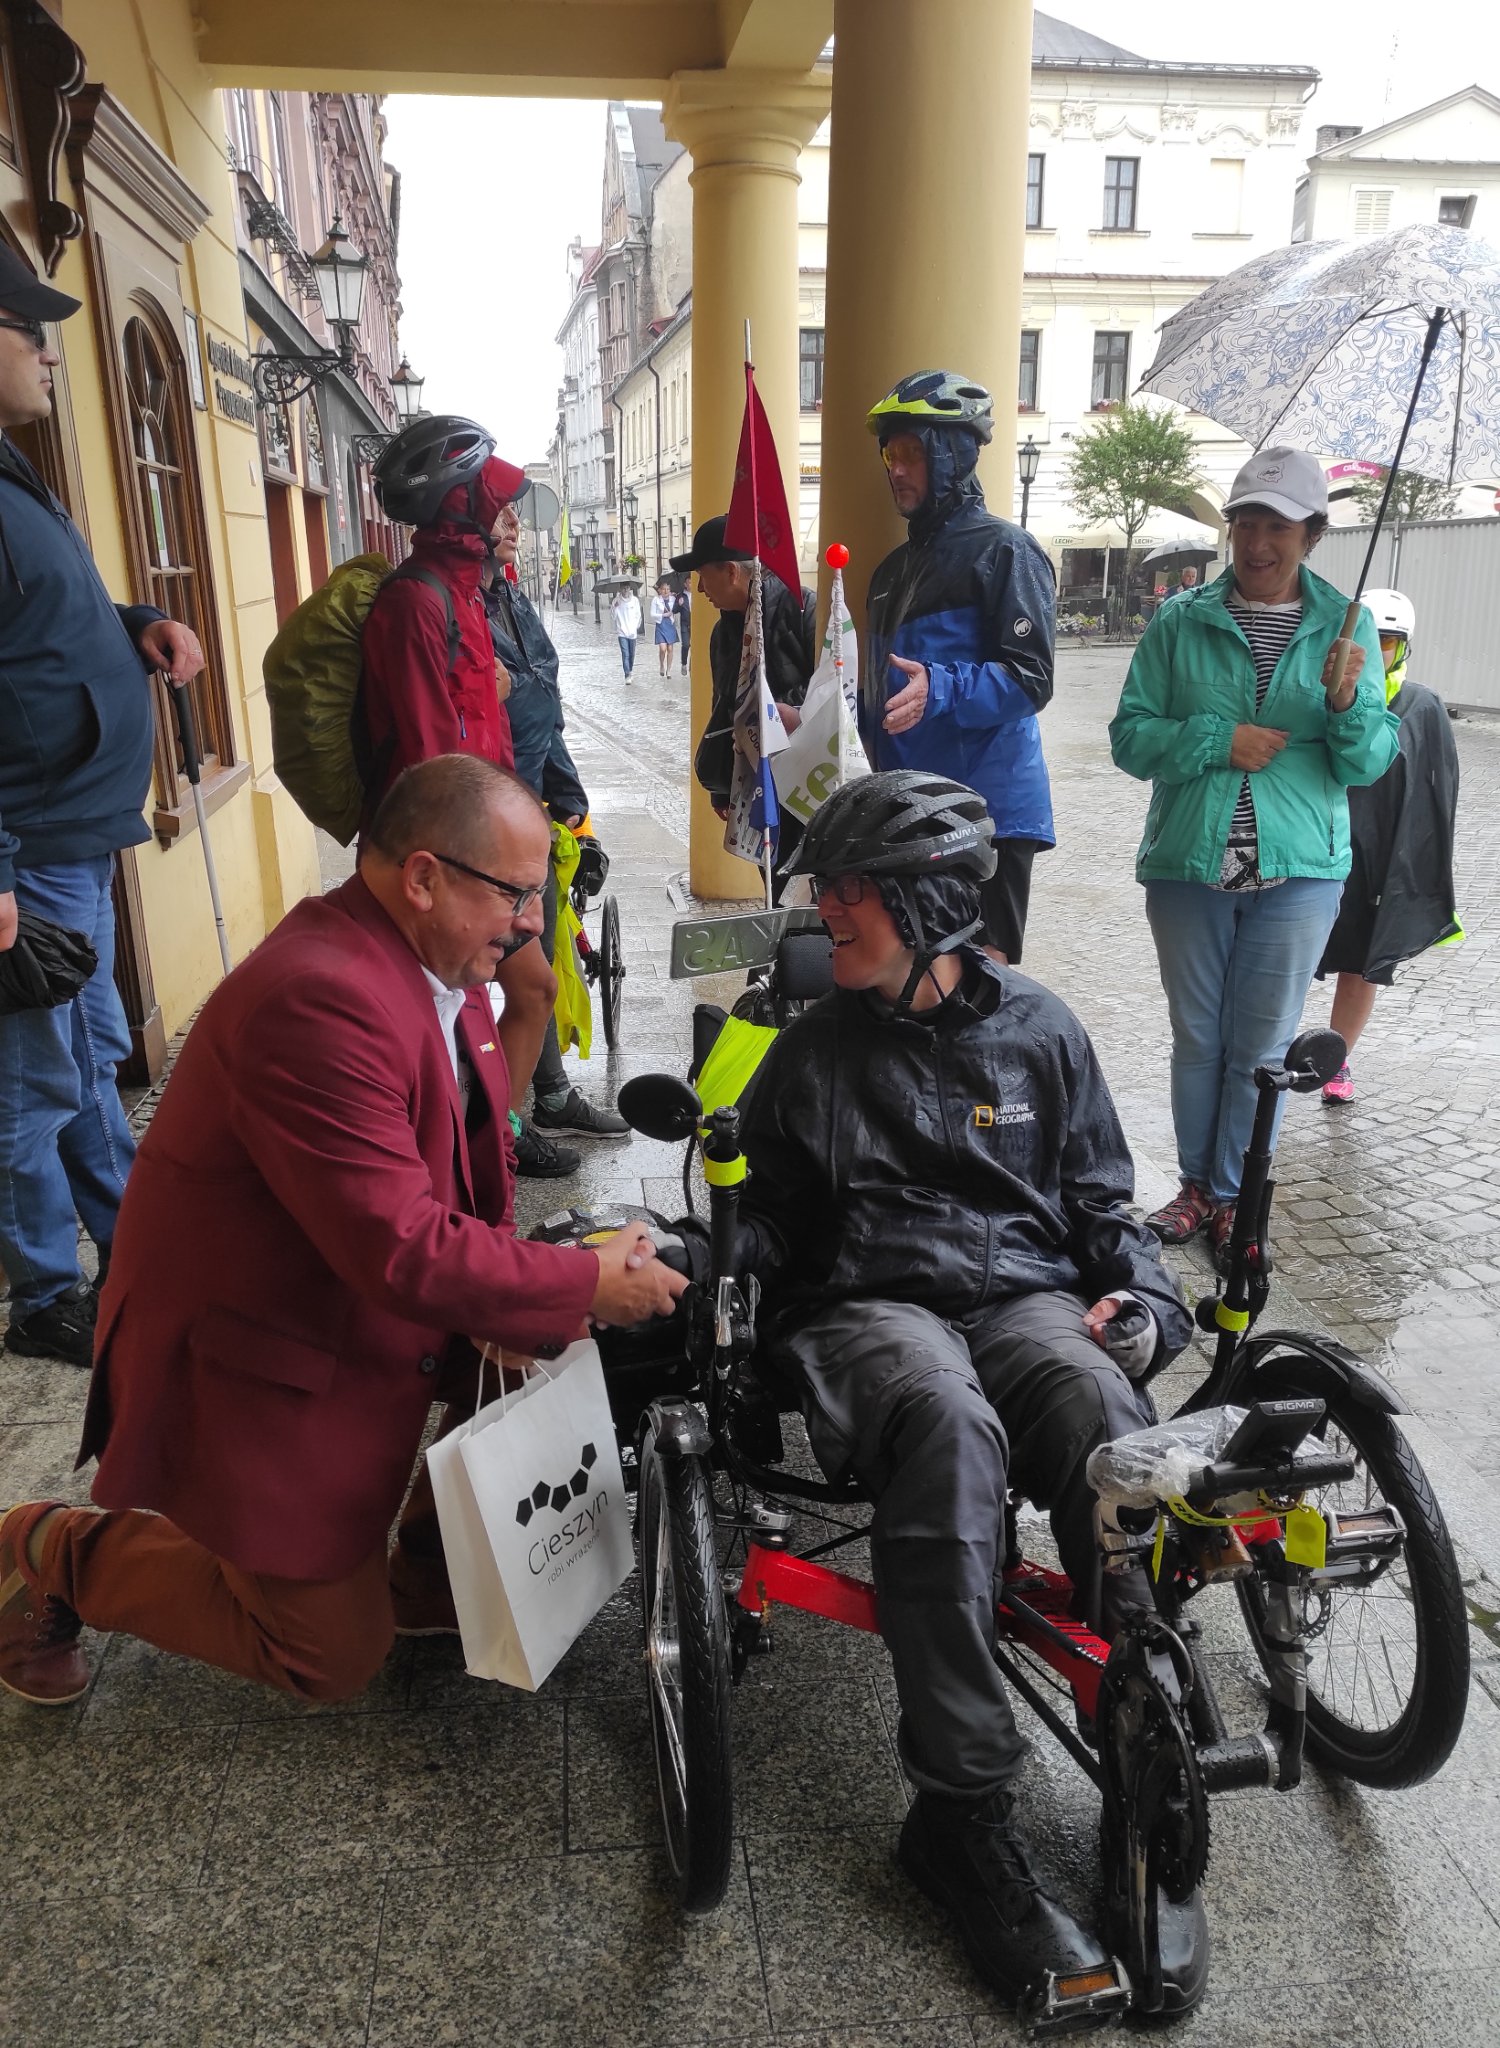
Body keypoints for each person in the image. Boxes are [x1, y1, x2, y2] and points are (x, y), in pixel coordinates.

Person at [0, 756, 687, 1709]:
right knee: (329, 1657)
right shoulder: (318, 998)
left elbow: (470, 1188)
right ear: (422, 876)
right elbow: (398, 1246)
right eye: (518, 895)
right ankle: (47, 1547)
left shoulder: (441, 968)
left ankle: (411, 1567)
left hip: (358, 1296)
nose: (534, 921)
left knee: (557, 1346)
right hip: (256, 1347)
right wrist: (574, 1285)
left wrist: (525, 1301)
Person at [690, 770, 1197, 2014]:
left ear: (927, 905)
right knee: (948, 1422)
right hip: (871, 1304)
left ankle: (1144, 1742)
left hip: (1025, 1297)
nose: (824, 910)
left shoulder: (1043, 1029)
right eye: (824, 889)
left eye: (848, 890)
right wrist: (702, 1255)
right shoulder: (806, 1049)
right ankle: (962, 1815)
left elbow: (1098, 1204)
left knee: (1098, 1410)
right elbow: (763, 1219)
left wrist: (1144, 1303)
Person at [1109, 448, 1396, 1270]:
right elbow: (1131, 737)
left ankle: (1237, 1193)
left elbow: (1368, 760)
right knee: (1197, 1035)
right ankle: (1196, 1185)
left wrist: (1344, 704)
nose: (1257, 543)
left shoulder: (1350, 627)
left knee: (1261, 1047)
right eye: (1245, 524)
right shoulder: (1179, 619)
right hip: (1188, 867)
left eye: (1277, 526)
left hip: (1300, 871)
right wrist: (1215, 739)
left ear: (1310, 533)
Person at [0, 244, 206, 1370]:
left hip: (70, 837)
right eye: (21, 322)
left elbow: (36, 626)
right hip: (27, 850)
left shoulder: (11, 468)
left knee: (84, 1059)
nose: (45, 344)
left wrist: (132, 619)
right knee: (32, 1078)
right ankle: (43, 1293)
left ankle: (127, 1240)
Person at [361, 416, 561, 1174]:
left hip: (485, 854)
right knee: (453, 1021)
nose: (507, 515)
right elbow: (426, 758)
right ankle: (465, 1158)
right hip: (448, 861)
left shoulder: (467, 593)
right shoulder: (416, 602)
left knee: (528, 992)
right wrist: (459, 876)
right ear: (457, 506)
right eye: (493, 498)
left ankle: (493, 1143)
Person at [863, 370, 1057, 966]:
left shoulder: (1006, 551)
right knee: (915, 978)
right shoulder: (890, 571)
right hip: (912, 809)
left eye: (912, 453)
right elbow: (876, 690)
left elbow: (1031, 678)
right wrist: (813, 716)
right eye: (891, 453)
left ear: (953, 455)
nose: (896, 468)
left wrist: (941, 688)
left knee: (979, 984)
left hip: (987, 808)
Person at [482, 514, 630, 1164]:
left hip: (526, 818)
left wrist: (571, 801)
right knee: (522, 985)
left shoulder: (510, 599)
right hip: (478, 828)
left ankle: (548, 1096)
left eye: (517, 506)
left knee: (537, 970)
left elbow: (545, 711)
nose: (515, 519)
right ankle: (505, 1137)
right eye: (497, 506)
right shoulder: (450, 608)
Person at [1315, 588, 1462, 1104]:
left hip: (1376, 862)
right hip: (1313, 852)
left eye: (1388, 643)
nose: (1373, 652)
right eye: (1367, 639)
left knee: (1360, 963)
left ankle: (1336, 1057)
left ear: (1403, 648)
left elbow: (1435, 792)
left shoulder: (1421, 705)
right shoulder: (1318, 691)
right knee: (1284, 957)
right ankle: (1264, 1054)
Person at [672, 514, 817, 820]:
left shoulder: (803, 610)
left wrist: (774, 713)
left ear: (731, 571)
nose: (699, 588)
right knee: (771, 867)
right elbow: (722, 706)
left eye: (702, 574)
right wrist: (721, 789)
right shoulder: (721, 633)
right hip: (757, 789)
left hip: (810, 781)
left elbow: (833, 689)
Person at [610, 584, 643, 678]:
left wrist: (636, 627)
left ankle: (630, 669)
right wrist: (615, 608)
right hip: (622, 632)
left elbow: (638, 615)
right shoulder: (616, 601)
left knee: (632, 654)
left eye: (627, 588)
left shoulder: (635, 600)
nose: (625, 590)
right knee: (625, 654)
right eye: (623, 588)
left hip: (632, 632)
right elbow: (613, 617)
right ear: (620, 589)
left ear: (630, 588)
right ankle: (627, 674)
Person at [650, 576, 679, 677]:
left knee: (670, 648)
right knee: (663, 648)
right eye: (664, 589)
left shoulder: (673, 599)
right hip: (661, 625)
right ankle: (662, 665)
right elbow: (652, 614)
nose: (666, 591)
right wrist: (662, 614)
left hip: (670, 625)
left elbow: (678, 607)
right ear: (660, 590)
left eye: (668, 589)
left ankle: (669, 670)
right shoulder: (656, 600)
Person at [671, 576, 692, 665]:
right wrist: (679, 604)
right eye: (690, 583)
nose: (692, 584)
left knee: (696, 647)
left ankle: (693, 665)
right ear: (685, 584)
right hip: (685, 624)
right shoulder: (681, 595)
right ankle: (684, 663)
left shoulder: (697, 594)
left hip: (695, 624)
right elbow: (674, 610)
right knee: (686, 644)